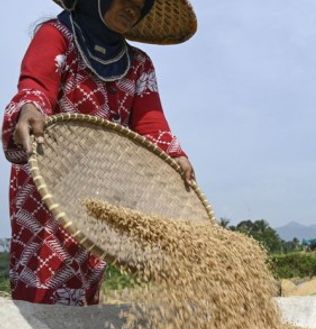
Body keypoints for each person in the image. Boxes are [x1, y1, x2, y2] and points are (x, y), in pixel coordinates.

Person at [2, 0, 197, 305]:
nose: (133, 9)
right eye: (127, 0)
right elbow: (37, 84)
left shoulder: (139, 64)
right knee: (43, 277)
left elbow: (150, 121)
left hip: (100, 185)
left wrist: (174, 155)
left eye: (140, 6)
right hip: (48, 178)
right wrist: (30, 108)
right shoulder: (58, 35)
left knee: (89, 268)